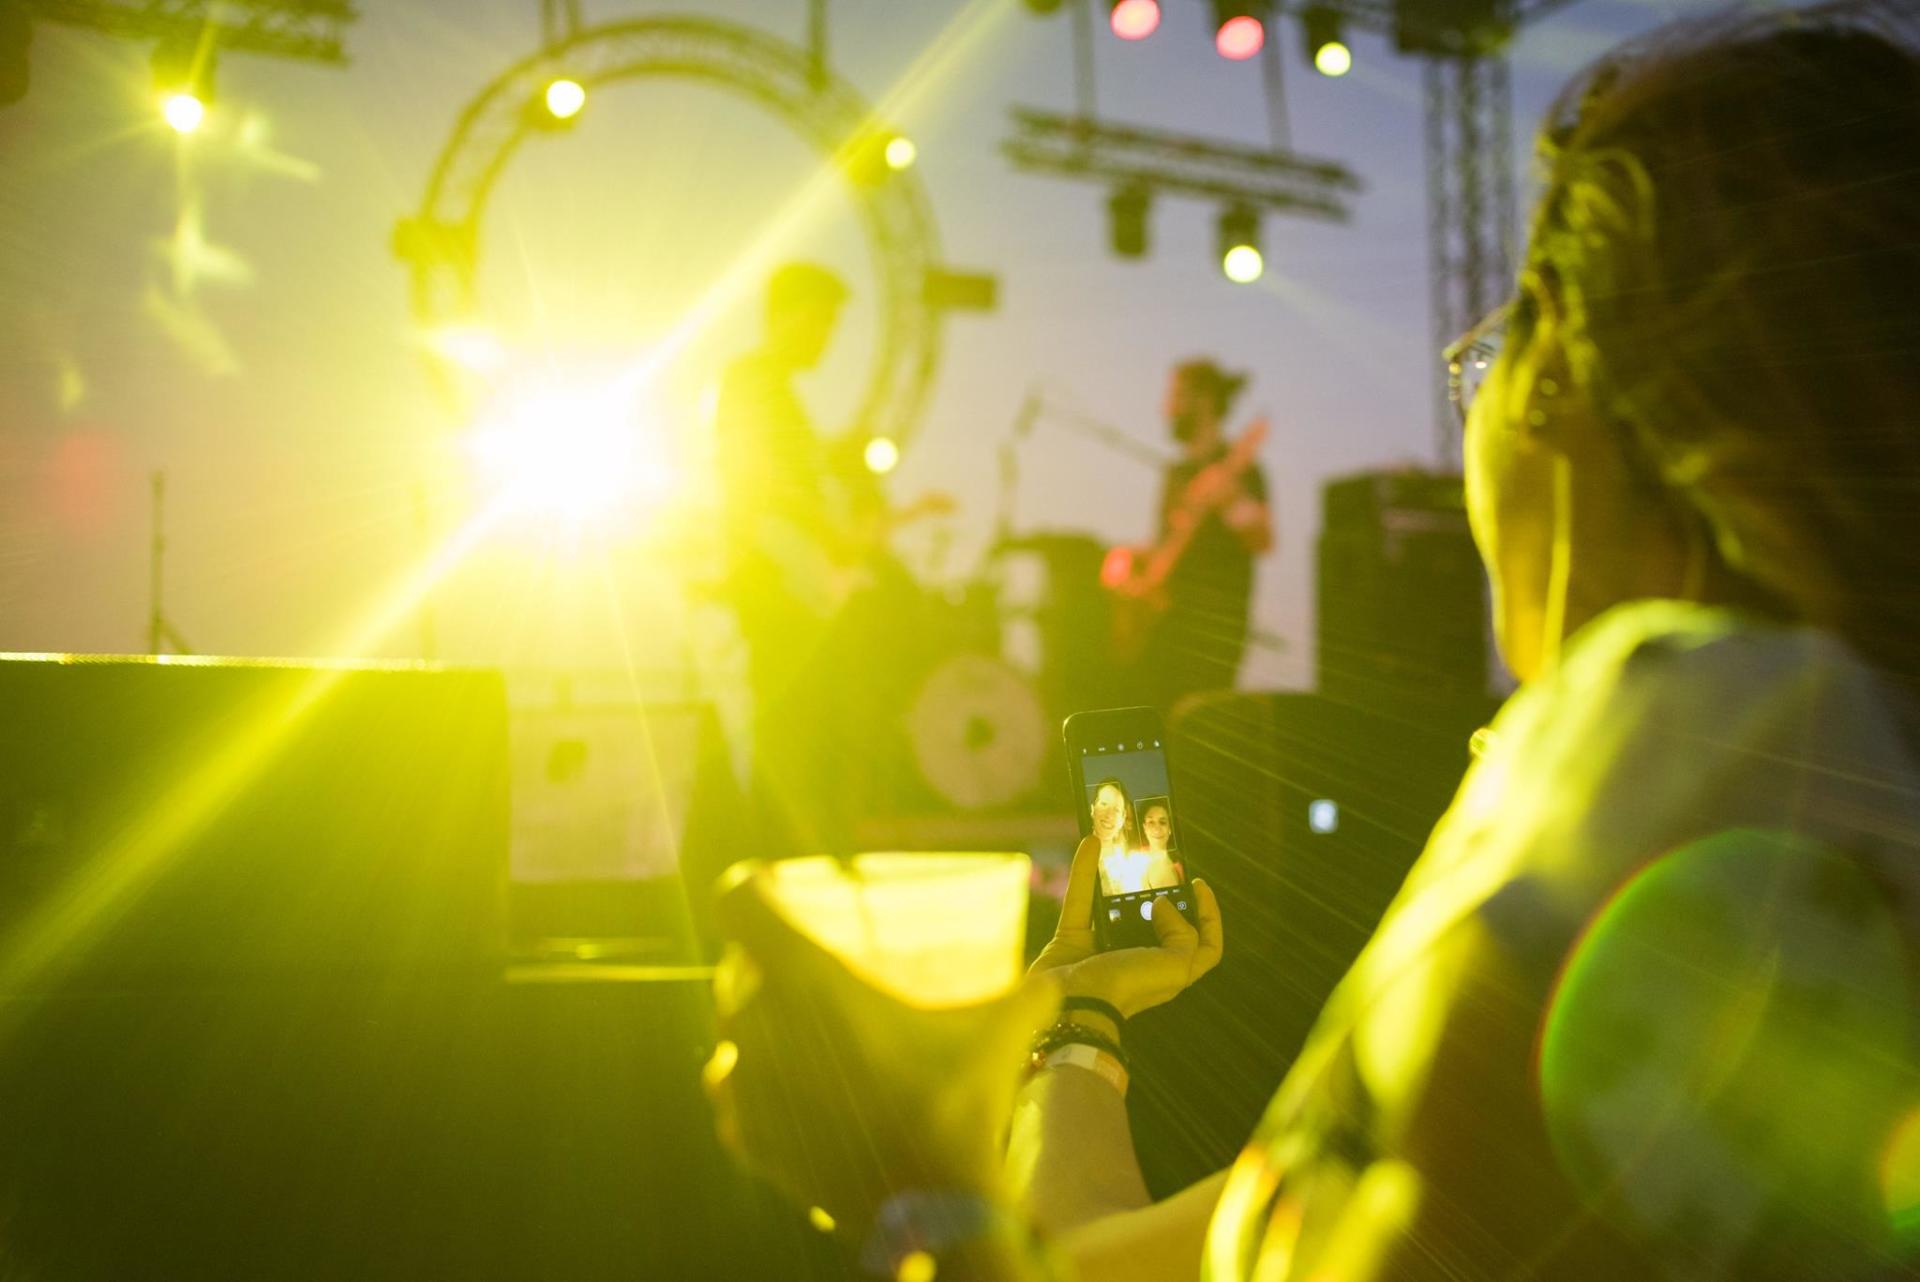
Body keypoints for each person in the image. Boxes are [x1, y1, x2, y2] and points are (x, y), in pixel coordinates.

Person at [705, 5, 1920, 1280]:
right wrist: (1084, 1008)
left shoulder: (1697, 735)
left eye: (1486, 361)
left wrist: (907, 1167)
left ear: (1559, 358)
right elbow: (1094, 1260)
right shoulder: (1824, 760)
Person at [1133, 359, 1274, 710]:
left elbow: (1263, 539)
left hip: (1214, 632)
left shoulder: (1244, 469)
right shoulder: (1175, 472)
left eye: (1176, 395)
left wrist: (1231, 500)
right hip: (1165, 625)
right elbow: (1160, 546)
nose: (1166, 407)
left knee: (1197, 721)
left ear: (1205, 399)